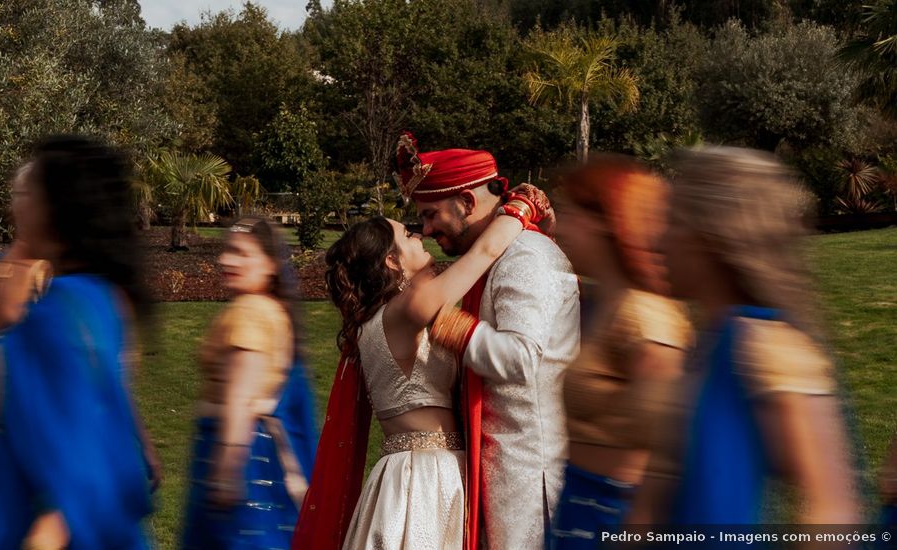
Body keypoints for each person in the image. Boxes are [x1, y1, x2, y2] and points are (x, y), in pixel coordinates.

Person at [292, 165, 553, 548]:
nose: (422, 236)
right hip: (428, 476)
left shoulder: (373, 319)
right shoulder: (411, 306)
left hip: (400, 473)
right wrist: (521, 208)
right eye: (409, 235)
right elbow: (485, 250)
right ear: (392, 262)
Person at [640, 146, 860, 525]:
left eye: (672, 221)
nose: (657, 241)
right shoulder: (705, 344)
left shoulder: (769, 348)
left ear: (711, 236)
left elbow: (832, 511)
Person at [0, 135, 154, 548]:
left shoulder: (55, 317)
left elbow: (74, 475)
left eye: (28, 193)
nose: (16, 204)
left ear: (56, 210)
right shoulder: (99, 297)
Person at [398, 133, 580, 549]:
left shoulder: (525, 256)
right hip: (502, 467)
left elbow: (521, 359)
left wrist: (442, 321)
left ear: (465, 202)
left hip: (530, 474)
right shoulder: (500, 253)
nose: (425, 230)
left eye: (430, 215)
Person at [549, 155, 691, 548]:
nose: (559, 226)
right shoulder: (596, 303)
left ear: (605, 221)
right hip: (578, 500)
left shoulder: (646, 317)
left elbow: (670, 450)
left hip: (619, 511)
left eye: (569, 212)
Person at [181, 217, 317, 549]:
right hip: (254, 454)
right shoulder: (271, 309)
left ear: (271, 264)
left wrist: (226, 471)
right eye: (228, 251)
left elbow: (240, 399)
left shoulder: (251, 312)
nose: (227, 260)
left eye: (241, 253)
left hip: (242, 458)